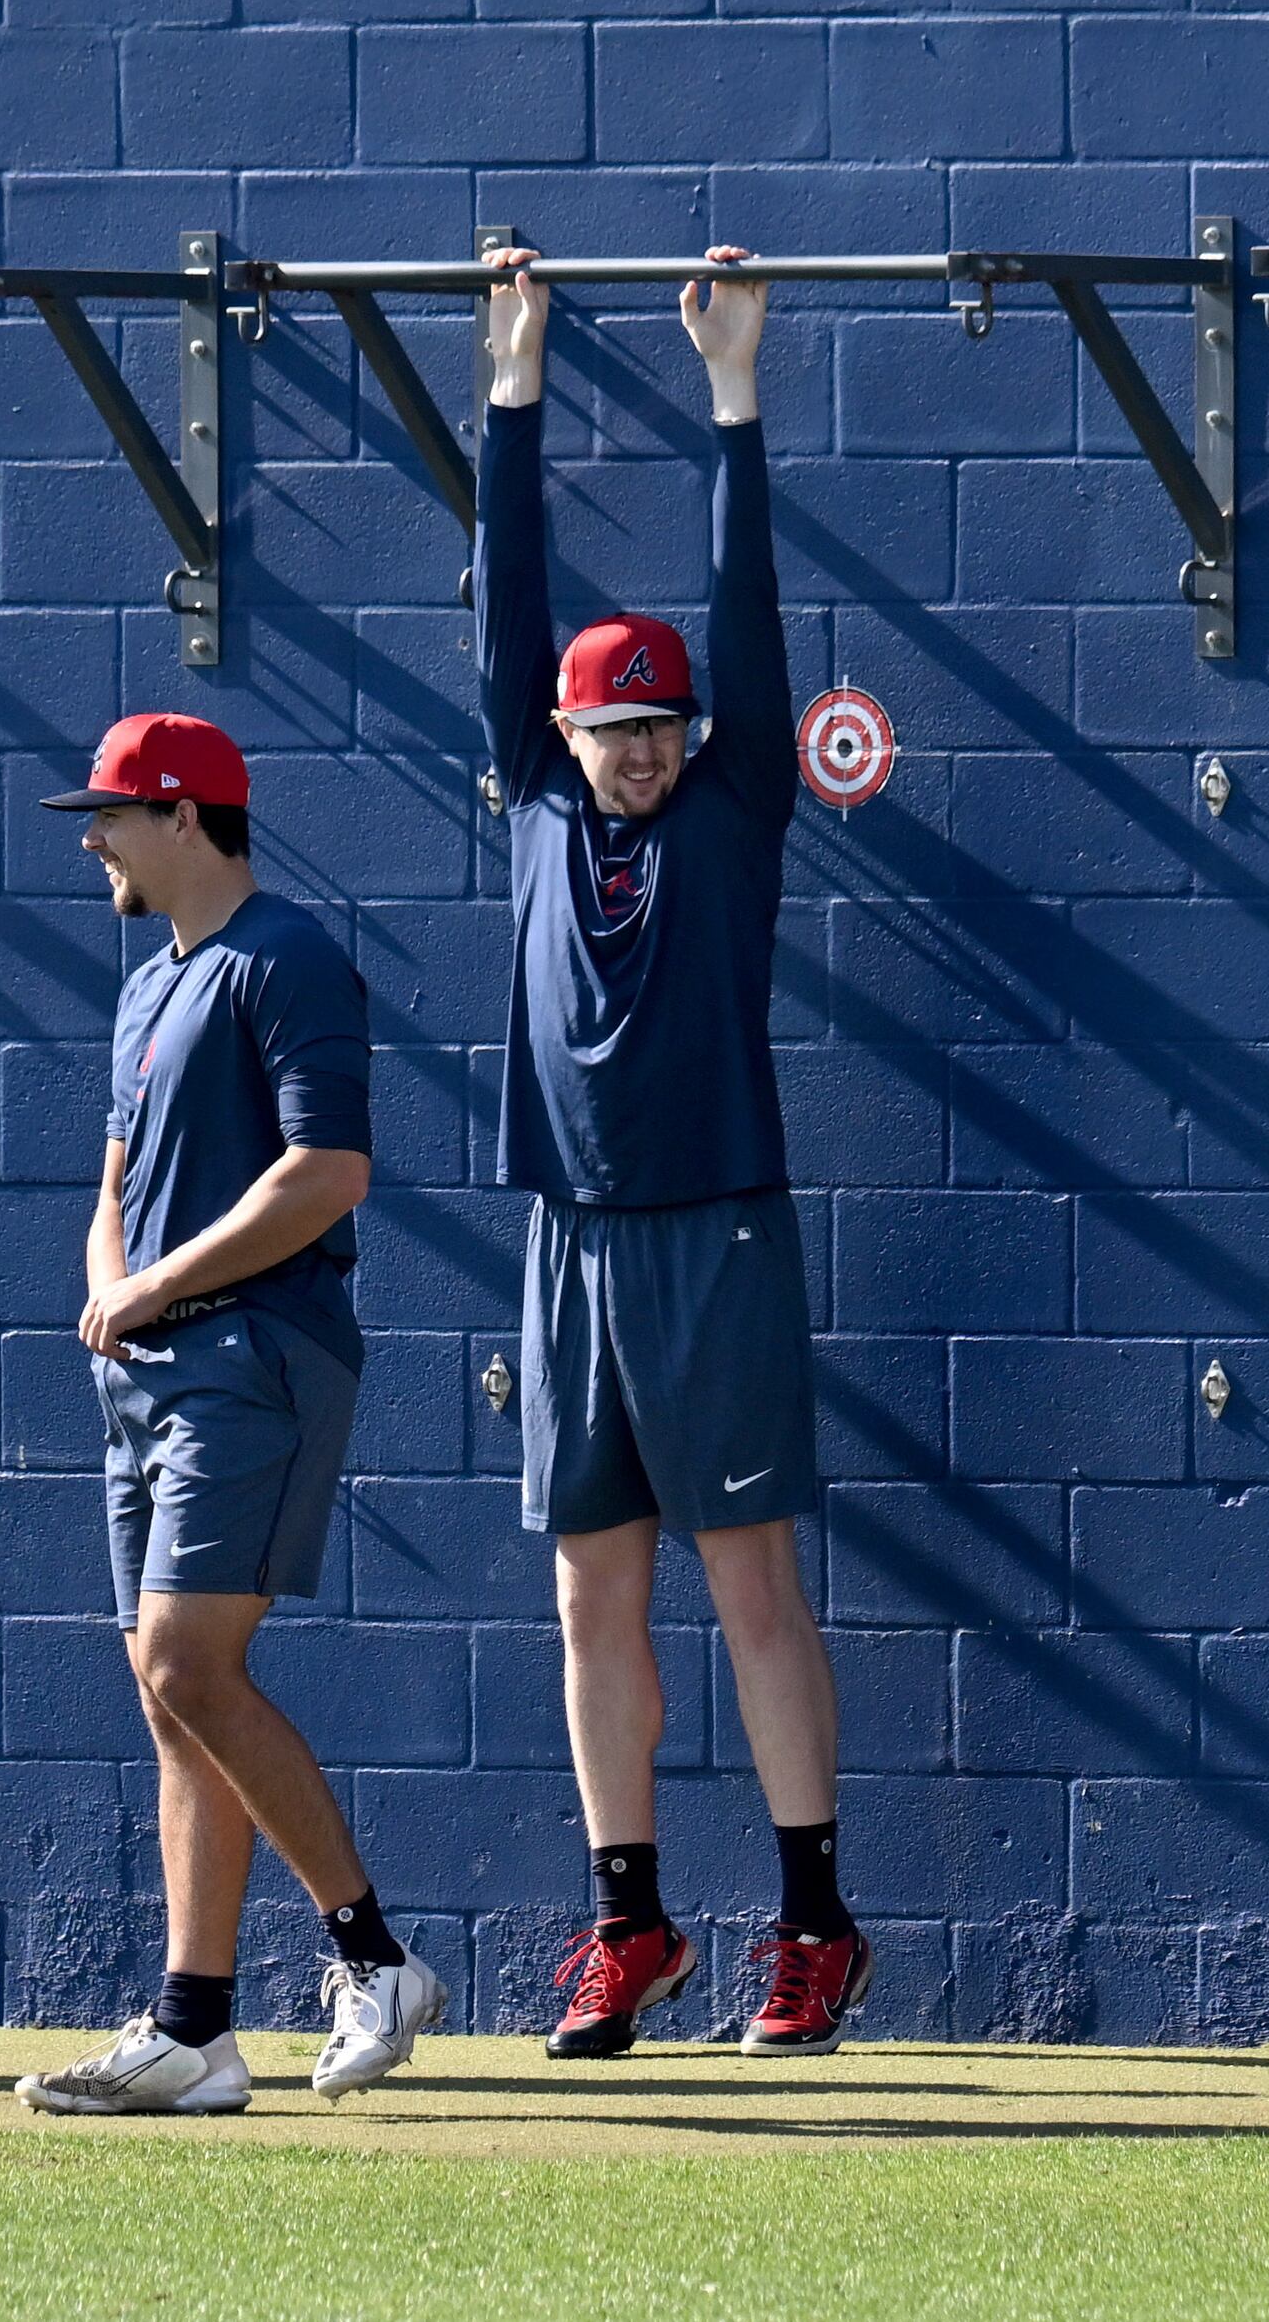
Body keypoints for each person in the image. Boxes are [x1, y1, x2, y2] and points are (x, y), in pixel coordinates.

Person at [474, 247, 864, 2060]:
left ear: (693, 736)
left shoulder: (737, 808)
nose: (631, 755)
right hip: (568, 1238)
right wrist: (516, 385)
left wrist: (735, 388)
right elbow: (508, 616)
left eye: (656, 729)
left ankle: (813, 1924)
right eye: (604, 730)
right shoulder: (538, 798)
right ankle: (629, 1927)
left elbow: (751, 603)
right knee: (587, 1586)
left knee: (749, 1581)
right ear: (564, 736)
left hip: (713, 1232)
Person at [15, 711, 447, 2115]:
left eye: (113, 815)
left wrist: (156, 1293)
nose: (94, 840)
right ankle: (196, 2032)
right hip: (144, 1374)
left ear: (186, 818)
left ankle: (374, 1959)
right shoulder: (152, 984)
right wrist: (111, 1293)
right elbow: (115, 1181)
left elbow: (327, 1174)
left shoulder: (292, 961)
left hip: (254, 1356)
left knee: (193, 1669)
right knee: (167, 1697)